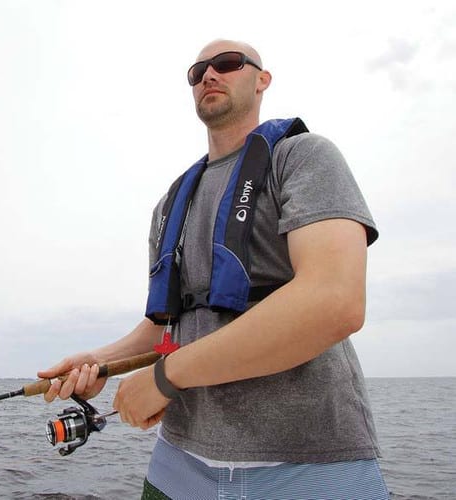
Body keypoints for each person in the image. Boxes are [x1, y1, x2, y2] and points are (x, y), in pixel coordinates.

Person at [39, 39, 389, 499]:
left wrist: (163, 378)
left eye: (226, 63)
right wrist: (101, 360)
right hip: (178, 462)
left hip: (307, 463)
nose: (209, 74)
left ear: (262, 80)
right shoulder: (170, 203)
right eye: (198, 69)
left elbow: (334, 301)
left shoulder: (303, 156)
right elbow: (164, 325)